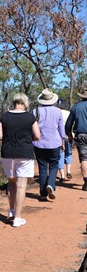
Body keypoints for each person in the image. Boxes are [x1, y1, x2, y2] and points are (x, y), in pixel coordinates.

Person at [0, 93, 41, 227]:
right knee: (21, 185)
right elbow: (38, 136)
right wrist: (28, 139)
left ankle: (11, 211)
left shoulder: (4, 117)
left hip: (7, 152)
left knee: (11, 182)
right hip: (24, 152)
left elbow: (0, 136)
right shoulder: (30, 117)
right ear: (25, 103)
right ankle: (17, 218)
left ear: (14, 102)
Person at [32, 88, 65, 201]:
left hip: (38, 143)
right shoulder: (57, 111)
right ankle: (51, 184)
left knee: (42, 168)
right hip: (54, 142)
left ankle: (42, 193)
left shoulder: (35, 111)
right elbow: (61, 129)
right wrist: (63, 141)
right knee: (54, 165)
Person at [57, 99, 73, 182]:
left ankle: (62, 176)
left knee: (60, 154)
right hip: (69, 135)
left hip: (59, 137)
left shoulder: (56, 113)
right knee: (69, 153)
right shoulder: (69, 113)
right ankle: (69, 171)